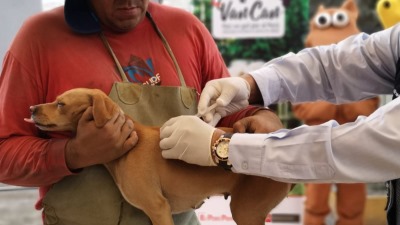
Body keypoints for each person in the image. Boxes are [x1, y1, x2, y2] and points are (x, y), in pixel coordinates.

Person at [0, 0, 278, 224]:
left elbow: (230, 114)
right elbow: (3, 153)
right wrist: (73, 154)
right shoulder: (39, 38)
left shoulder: (186, 29)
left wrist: (263, 118)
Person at [159, 23, 400, 225]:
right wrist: (251, 85)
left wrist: (222, 148)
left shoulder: (187, 29)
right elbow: (337, 65)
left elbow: (359, 146)